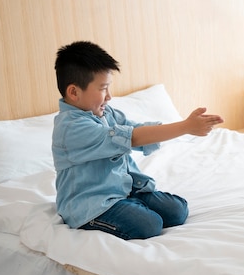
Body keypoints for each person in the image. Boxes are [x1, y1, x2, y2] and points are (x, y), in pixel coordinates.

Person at [53, 41, 223, 240]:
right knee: (150, 225)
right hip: (92, 204)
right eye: (103, 89)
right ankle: (120, 212)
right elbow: (131, 138)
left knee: (178, 211)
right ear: (74, 92)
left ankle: (133, 204)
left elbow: (137, 129)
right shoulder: (71, 128)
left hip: (124, 190)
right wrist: (185, 127)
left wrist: (184, 126)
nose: (109, 96)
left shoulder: (106, 113)